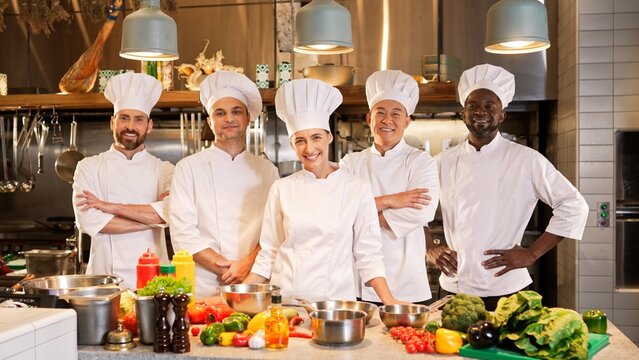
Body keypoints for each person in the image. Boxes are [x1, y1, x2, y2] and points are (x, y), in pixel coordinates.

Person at [429, 64, 589, 310]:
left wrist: (531, 253)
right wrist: (430, 248)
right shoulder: (442, 162)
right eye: (473, 105)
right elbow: (413, 211)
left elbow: (574, 205)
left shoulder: (526, 160)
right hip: (454, 286)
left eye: (489, 106)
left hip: (506, 288)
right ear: (463, 113)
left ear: (502, 115)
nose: (480, 111)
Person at [244, 78, 404, 304]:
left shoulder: (356, 189)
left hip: (334, 307)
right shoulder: (282, 188)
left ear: (329, 137)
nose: (309, 148)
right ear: (292, 145)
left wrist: (390, 300)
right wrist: (240, 293)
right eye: (300, 141)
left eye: (316, 137)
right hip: (287, 305)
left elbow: (368, 255)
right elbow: (269, 253)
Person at [169, 71, 279, 298]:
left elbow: (275, 231)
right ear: (210, 121)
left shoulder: (267, 171)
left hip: (253, 282)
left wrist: (247, 265)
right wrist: (227, 268)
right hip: (202, 284)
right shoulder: (187, 168)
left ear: (248, 118)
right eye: (220, 113)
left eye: (236, 111)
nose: (228, 119)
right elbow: (183, 234)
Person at [340, 70, 439, 305]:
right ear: (368, 118)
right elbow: (340, 211)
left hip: (407, 280)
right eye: (380, 112)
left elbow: (423, 211)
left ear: (407, 121)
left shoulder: (421, 161)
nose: (387, 120)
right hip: (358, 282)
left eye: (396, 113)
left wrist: (364, 212)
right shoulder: (350, 162)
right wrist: (392, 200)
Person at [72, 73, 174, 289]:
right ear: (112, 122)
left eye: (139, 119)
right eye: (124, 118)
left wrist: (108, 207)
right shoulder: (88, 167)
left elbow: (170, 213)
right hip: (104, 284)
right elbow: (89, 222)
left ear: (149, 125)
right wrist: (152, 219)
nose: (130, 126)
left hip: (155, 285)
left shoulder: (166, 170)